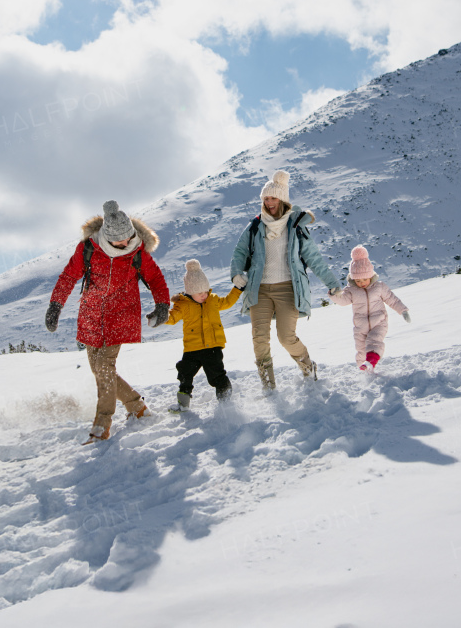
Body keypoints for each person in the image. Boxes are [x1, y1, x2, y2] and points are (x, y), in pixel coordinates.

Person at [46, 200, 170, 443]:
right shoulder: (88, 249)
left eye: (129, 238)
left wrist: (162, 304)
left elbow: (155, 278)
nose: (126, 243)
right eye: (120, 241)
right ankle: (136, 407)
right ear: (107, 237)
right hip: (91, 314)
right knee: (99, 370)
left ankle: (101, 426)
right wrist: (55, 305)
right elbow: (69, 275)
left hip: (121, 315)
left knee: (104, 367)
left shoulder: (137, 252)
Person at [229, 169, 343, 390]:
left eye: (272, 198)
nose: (268, 202)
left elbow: (314, 259)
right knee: (259, 339)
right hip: (259, 290)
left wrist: (333, 285)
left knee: (286, 337)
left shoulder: (296, 226)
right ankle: (268, 386)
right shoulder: (255, 226)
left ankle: (308, 368)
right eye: (265, 198)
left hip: (288, 289)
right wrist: (236, 273)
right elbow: (239, 252)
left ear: (282, 199)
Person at [164, 259, 243, 412]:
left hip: (212, 347)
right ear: (190, 292)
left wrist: (237, 289)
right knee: (185, 373)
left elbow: (227, 302)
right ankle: (183, 404)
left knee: (217, 375)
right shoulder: (183, 304)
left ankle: (226, 402)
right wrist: (160, 316)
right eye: (199, 293)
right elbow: (172, 318)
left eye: (205, 291)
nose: (204, 295)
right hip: (192, 348)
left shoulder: (212, 300)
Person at [331, 245, 410, 373]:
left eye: (364, 279)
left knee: (374, 341)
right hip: (360, 326)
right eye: (358, 280)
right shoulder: (351, 291)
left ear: (370, 276)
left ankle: (371, 362)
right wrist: (334, 295)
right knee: (361, 350)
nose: (361, 283)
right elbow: (343, 300)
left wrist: (403, 310)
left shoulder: (379, 287)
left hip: (379, 322)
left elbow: (392, 299)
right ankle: (364, 371)